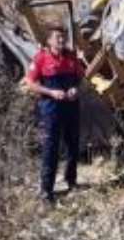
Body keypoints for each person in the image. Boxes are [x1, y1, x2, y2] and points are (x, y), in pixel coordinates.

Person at [24, 25, 84, 204]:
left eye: (63, 37)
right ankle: (46, 190)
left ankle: (71, 181)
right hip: (51, 108)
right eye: (57, 37)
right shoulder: (41, 58)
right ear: (49, 40)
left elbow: (81, 77)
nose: (61, 40)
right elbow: (30, 82)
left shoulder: (72, 57)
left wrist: (76, 89)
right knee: (51, 148)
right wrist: (51, 92)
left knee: (73, 145)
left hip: (71, 107)